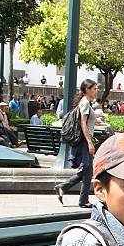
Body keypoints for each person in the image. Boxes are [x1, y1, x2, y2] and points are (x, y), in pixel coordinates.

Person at [54, 79, 98, 209]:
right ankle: (68, 190)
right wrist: (90, 142)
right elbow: (83, 123)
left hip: (85, 139)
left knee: (87, 171)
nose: (96, 91)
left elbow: (87, 121)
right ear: (87, 90)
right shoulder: (85, 103)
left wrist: (97, 122)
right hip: (84, 140)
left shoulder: (85, 103)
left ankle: (76, 195)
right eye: (94, 89)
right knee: (87, 170)